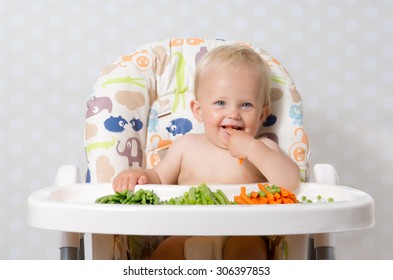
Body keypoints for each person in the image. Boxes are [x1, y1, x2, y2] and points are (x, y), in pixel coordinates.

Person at [112, 44, 300, 260]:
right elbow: (158, 179)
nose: (233, 113)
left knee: (248, 254)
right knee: (165, 254)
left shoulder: (263, 148)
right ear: (199, 110)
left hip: (245, 233)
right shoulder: (185, 146)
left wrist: (251, 148)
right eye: (220, 103)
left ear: (262, 115)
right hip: (185, 232)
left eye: (246, 105)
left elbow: (290, 182)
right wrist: (139, 176)